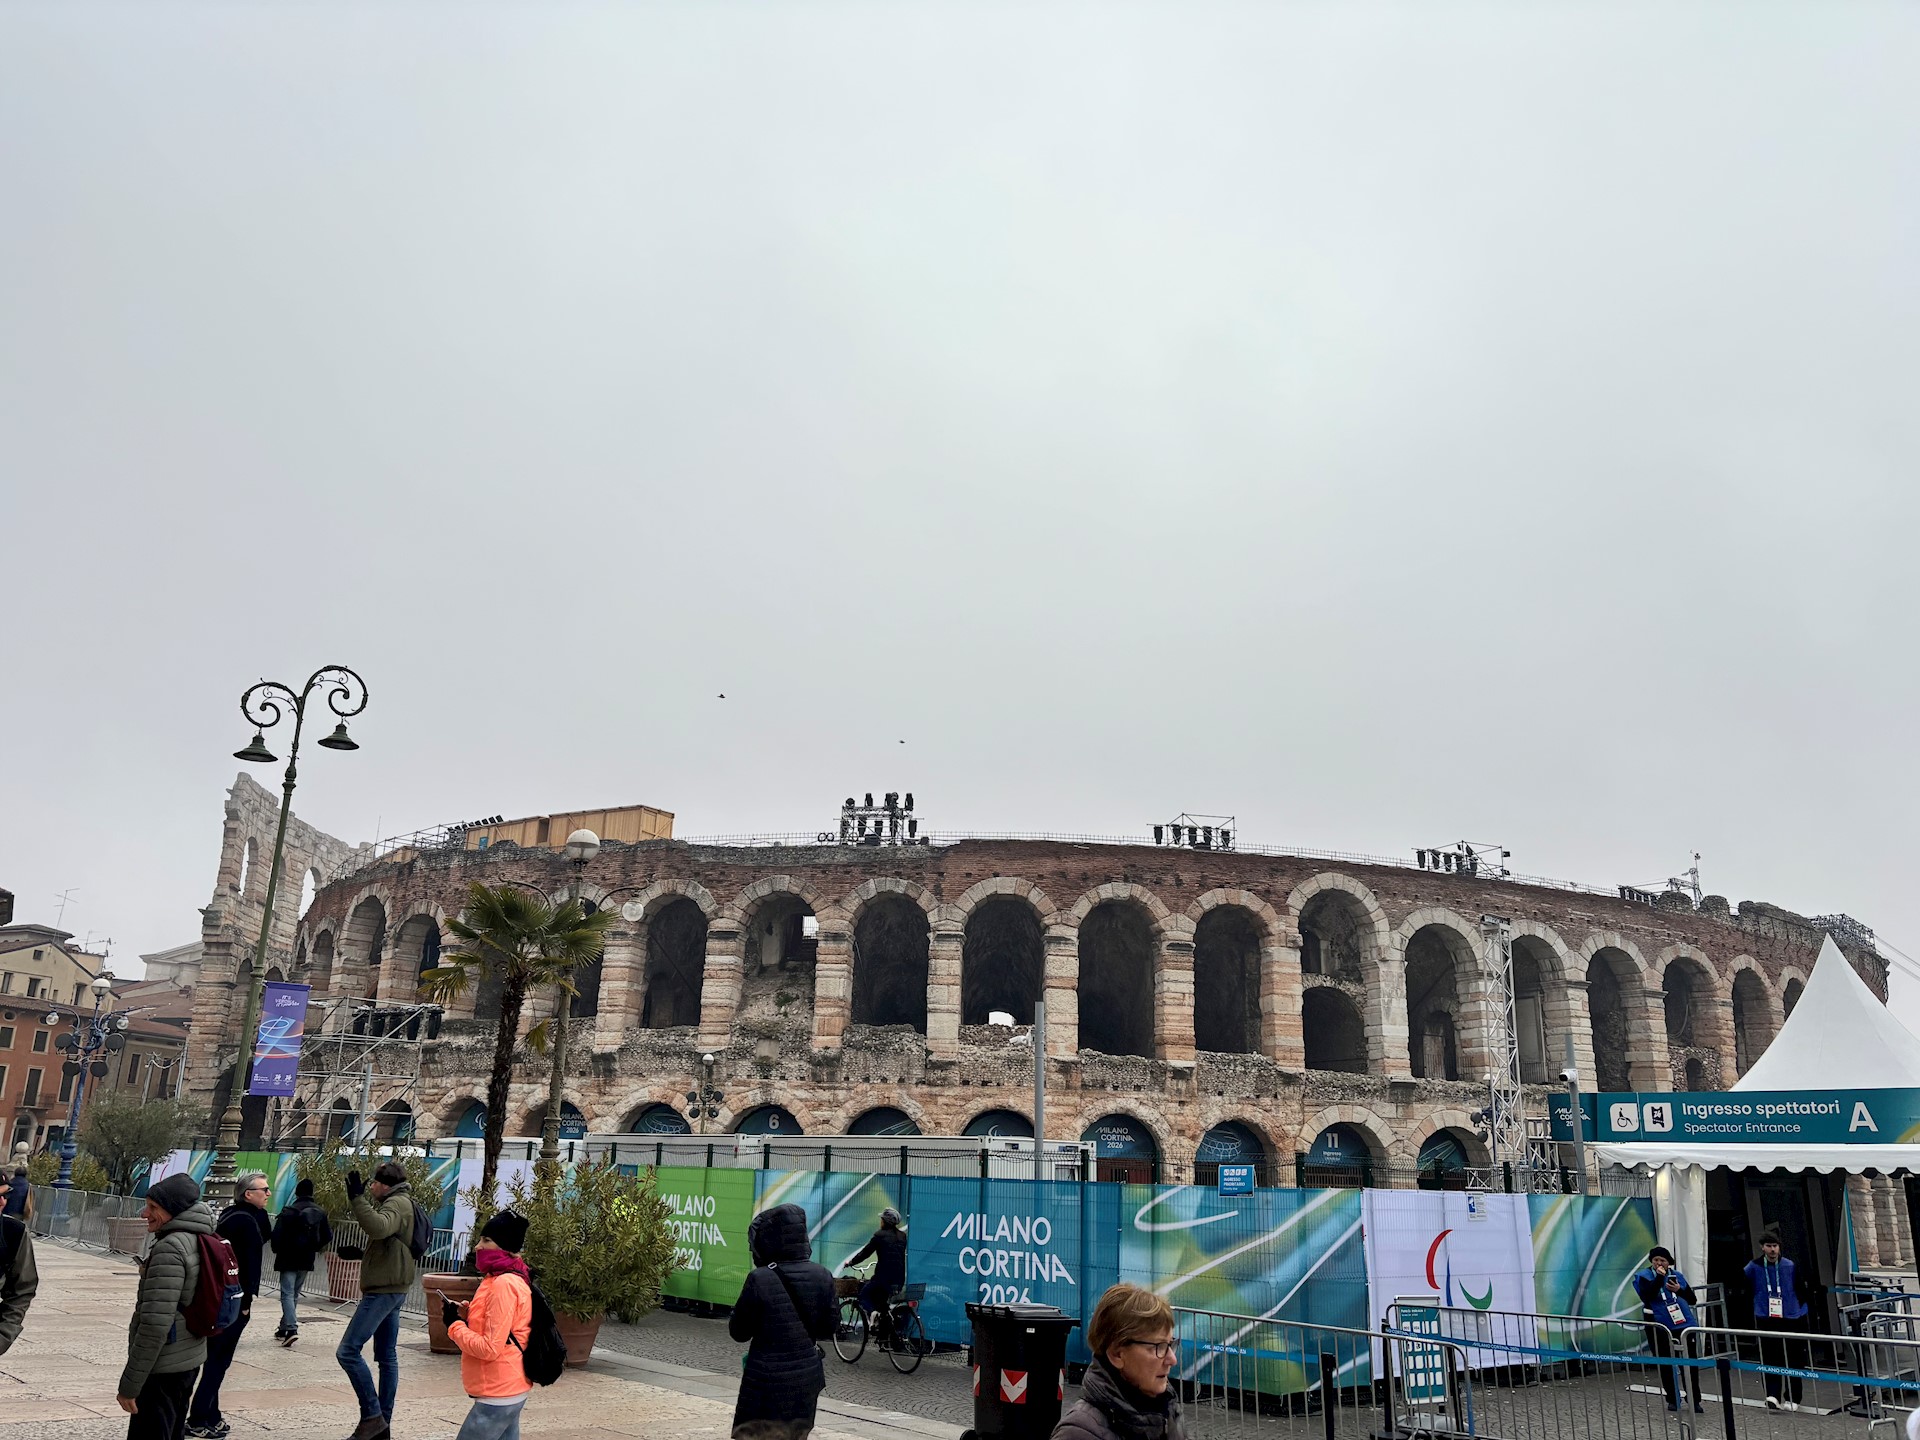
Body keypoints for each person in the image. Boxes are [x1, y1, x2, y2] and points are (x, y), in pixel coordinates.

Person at [119, 1173, 215, 1440]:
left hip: (163, 1366)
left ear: (173, 1210)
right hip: (189, 1357)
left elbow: (154, 1324)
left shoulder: (170, 1248)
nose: (143, 1214)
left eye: (153, 1208)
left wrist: (130, 1385)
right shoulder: (199, 1237)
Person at [729, 1203, 837, 1436]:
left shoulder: (759, 1278)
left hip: (765, 1380)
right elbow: (830, 1327)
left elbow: (739, 1332)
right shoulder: (823, 1275)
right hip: (806, 1377)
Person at [184, 1171, 272, 1438]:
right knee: (218, 1361)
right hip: (233, 1299)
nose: (268, 1193)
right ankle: (199, 1417)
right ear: (249, 1194)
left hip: (222, 1296)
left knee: (216, 1359)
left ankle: (212, 1413)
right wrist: (245, 1302)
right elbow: (246, 1265)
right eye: (264, 1189)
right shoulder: (245, 1222)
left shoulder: (233, 1216)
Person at [336, 1162, 418, 1440]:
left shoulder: (397, 1202)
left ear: (385, 1185)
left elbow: (379, 1228)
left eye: (373, 1184)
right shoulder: (401, 1201)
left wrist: (357, 1199)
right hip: (393, 1284)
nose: (370, 1188)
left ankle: (372, 1416)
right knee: (386, 1356)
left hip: (384, 1290)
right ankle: (383, 1425)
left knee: (347, 1351)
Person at [1053, 1282, 1187, 1440]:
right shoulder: (1079, 1433)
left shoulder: (1168, 1411)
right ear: (1117, 1354)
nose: (1172, 1359)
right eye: (1158, 1346)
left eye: (1171, 1344)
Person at [444, 1211, 534, 1440]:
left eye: (486, 1240)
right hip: (509, 1387)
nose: (477, 1246)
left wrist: (454, 1326)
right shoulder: (507, 1276)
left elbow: (490, 1348)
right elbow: (504, 1325)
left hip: (498, 1391)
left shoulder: (503, 1283)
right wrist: (468, 1314)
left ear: (504, 1246)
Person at [1744, 1224, 1809, 1411]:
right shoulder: (1753, 1267)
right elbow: (1745, 1287)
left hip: (1790, 1317)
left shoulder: (1789, 1265)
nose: (1772, 1250)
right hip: (1766, 1316)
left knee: (1794, 1358)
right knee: (1770, 1357)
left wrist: (1801, 1312)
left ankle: (1793, 1397)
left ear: (1779, 1248)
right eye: (1768, 1246)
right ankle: (1772, 1394)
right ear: (1762, 1247)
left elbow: (1800, 1290)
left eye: (1775, 1246)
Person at [1632, 1246, 1702, 1414]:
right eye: (1656, 1260)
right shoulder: (1644, 1276)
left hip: (1682, 1323)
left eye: (1662, 1260)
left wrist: (1680, 1289)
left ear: (1668, 1262)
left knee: (1689, 1363)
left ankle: (1694, 1399)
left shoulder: (1676, 1276)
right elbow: (1647, 1295)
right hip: (1658, 1323)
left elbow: (1692, 1299)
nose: (1659, 1263)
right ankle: (1672, 1398)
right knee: (1666, 1362)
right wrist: (1659, 1278)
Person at [269, 1177, 332, 1346]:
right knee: (294, 1294)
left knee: (287, 1294)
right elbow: (328, 1236)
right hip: (306, 1257)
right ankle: (283, 1328)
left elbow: (277, 1235)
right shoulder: (319, 1212)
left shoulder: (289, 1211)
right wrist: (314, 1247)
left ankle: (291, 1328)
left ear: (297, 1192)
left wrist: (277, 1249)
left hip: (288, 1257)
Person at [846, 1207, 907, 1345]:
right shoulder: (903, 1236)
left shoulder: (879, 1236)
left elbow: (865, 1253)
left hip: (882, 1277)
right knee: (883, 1305)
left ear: (885, 1221)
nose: (880, 1221)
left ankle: (872, 1313)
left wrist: (851, 1262)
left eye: (882, 1219)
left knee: (863, 1295)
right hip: (898, 1278)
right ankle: (883, 1338)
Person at [0, 1190, 38, 1355]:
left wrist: (4, 1334)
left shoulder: (13, 1232)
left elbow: (22, 1290)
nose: (3, 1202)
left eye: (5, 1195)